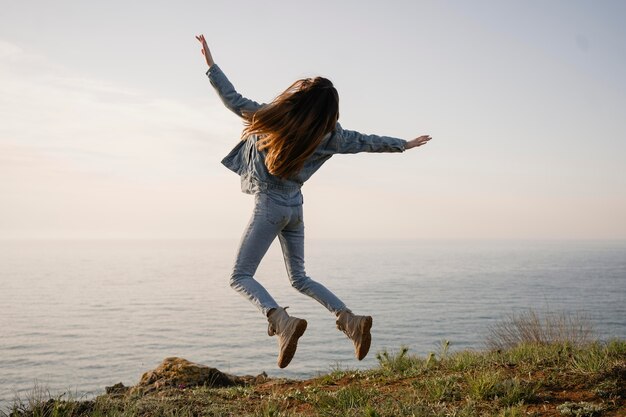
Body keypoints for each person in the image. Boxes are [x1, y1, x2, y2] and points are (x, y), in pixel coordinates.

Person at [196, 34, 432, 368]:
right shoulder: (332, 136)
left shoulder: (274, 118)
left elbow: (233, 100)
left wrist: (211, 66)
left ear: (300, 98)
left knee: (240, 276)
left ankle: (280, 321)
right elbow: (366, 141)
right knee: (300, 278)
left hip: (270, 207)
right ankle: (350, 320)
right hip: (295, 209)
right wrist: (403, 145)